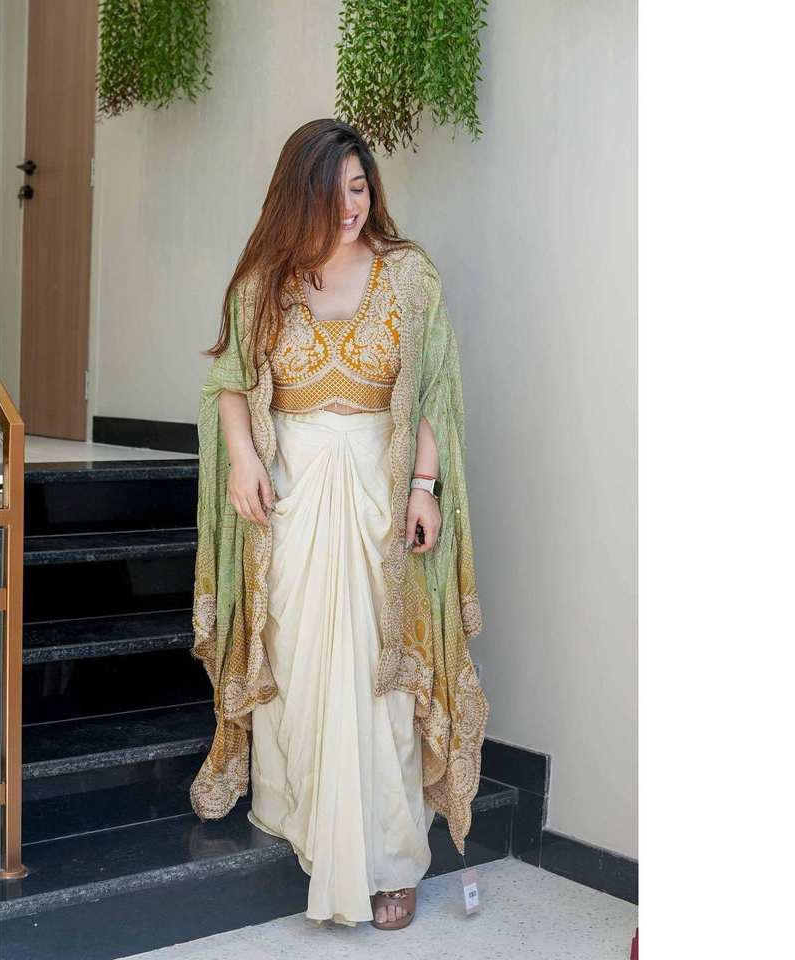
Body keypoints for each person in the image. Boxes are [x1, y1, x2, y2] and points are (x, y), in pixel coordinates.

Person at [189, 118, 490, 930]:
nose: (351, 206)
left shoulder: (409, 275)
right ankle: (305, 825)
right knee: (298, 662)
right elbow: (229, 382)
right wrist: (243, 460)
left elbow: (432, 393)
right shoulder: (264, 282)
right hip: (287, 496)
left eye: (360, 187)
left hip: (377, 495)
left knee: (378, 678)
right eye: (333, 193)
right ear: (299, 197)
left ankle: (390, 860)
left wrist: (424, 488)